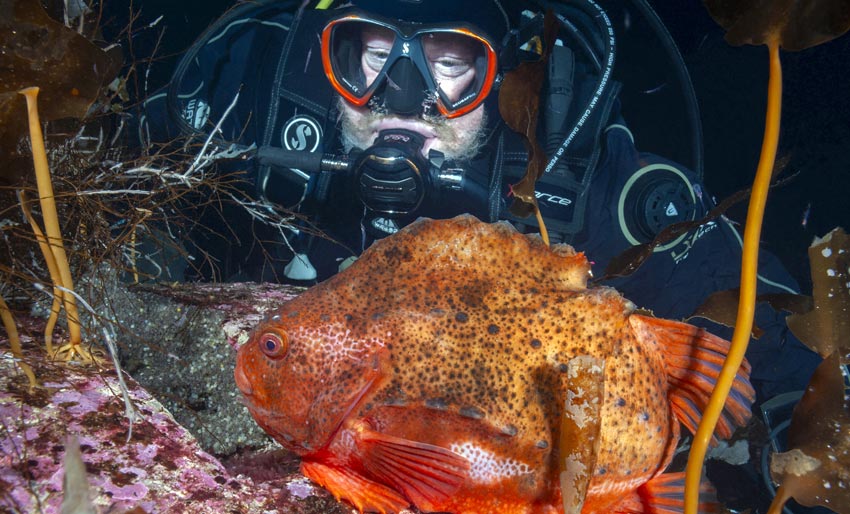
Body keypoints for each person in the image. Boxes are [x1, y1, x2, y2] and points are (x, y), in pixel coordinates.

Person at [136, 0, 821, 506]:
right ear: (328, 54)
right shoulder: (244, 117)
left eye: (450, 64)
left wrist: (809, 460)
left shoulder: (588, 186)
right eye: (371, 57)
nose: (402, 102)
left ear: (503, 74)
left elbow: (790, 355)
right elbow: (128, 207)